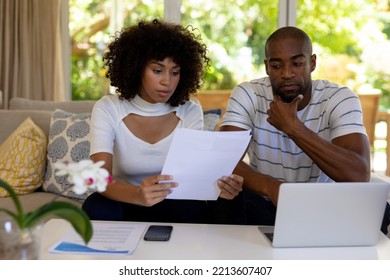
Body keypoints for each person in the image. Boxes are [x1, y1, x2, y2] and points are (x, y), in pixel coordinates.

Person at [220, 26, 390, 234]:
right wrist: (275, 189)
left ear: (312, 63)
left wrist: (293, 127)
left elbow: (359, 174)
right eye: (276, 65)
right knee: (227, 197)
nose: (287, 73)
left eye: (297, 63)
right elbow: (223, 160)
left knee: (380, 208)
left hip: (325, 206)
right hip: (268, 204)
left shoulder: (339, 98)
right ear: (266, 67)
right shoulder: (249, 93)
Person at [82, 19, 244, 224]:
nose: (167, 81)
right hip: (125, 200)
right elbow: (98, 178)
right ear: (136, 68)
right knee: (97, 206)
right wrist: (139, 195)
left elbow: (195, 177)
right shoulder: (109, 107)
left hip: (174, 203)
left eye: (175, 72)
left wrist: (222, 187)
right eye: (157, 71)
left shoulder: (189, 109)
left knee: (222, 204)